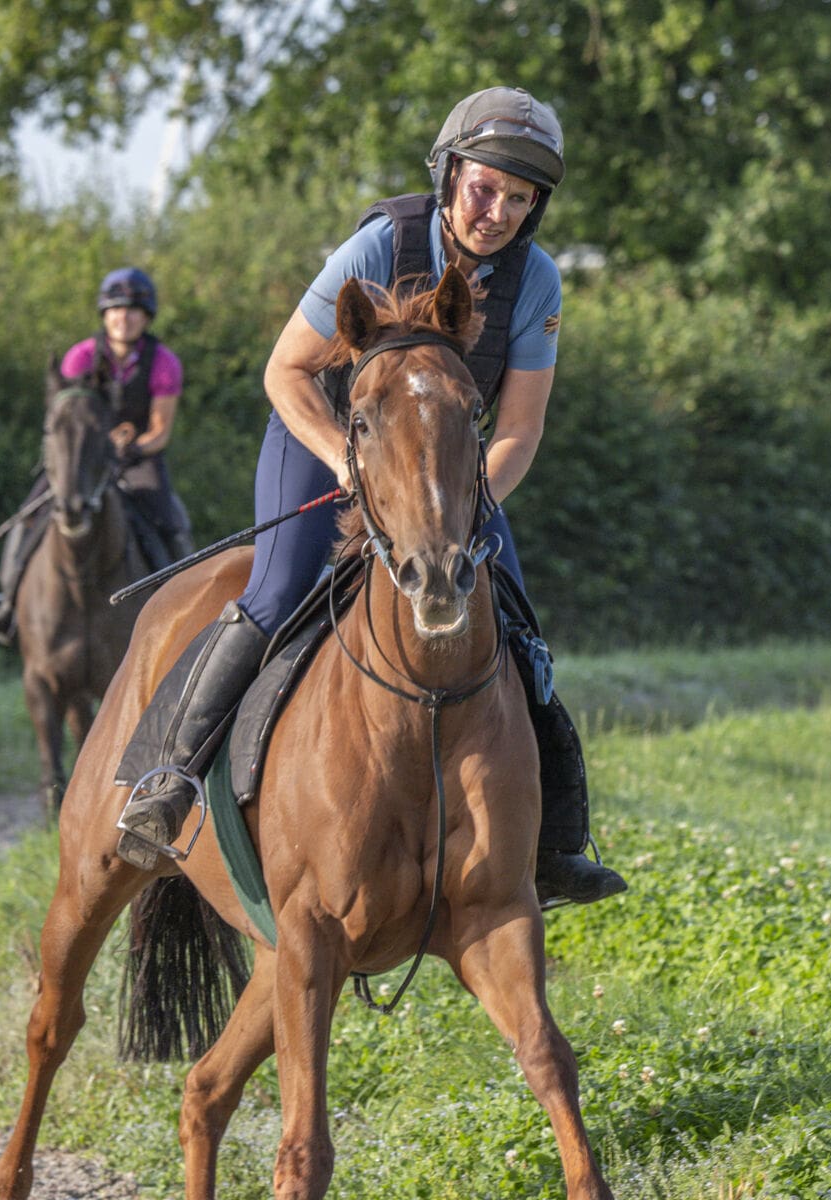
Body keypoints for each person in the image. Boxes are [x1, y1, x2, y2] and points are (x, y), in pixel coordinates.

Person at [113, 87, 626, 906]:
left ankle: (553, 845)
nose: (498, 210)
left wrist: (457, 500)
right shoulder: (381, 244)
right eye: (486, 186)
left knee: (519, 625)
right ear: (451, 171)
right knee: (278, 591)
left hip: (448, 462)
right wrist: (346, 467)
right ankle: (167, 779)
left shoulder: (537, 283)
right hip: (327, 434)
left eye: (520, 197)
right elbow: (285, 370)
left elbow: (520, 432)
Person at [0, 267, 196, 645]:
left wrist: (130, 447)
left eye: (132, 310)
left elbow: (160, 431)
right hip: (83, 457)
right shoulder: (80, 357)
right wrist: (104, 441)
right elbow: (71, 418)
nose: (123, 317)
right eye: (115, 309)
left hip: (136, 458)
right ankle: (7, 606)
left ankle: (179, 610)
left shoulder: (163, 362)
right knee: (28, 516)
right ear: (104, 315)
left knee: (169, 518)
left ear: (146, 317)